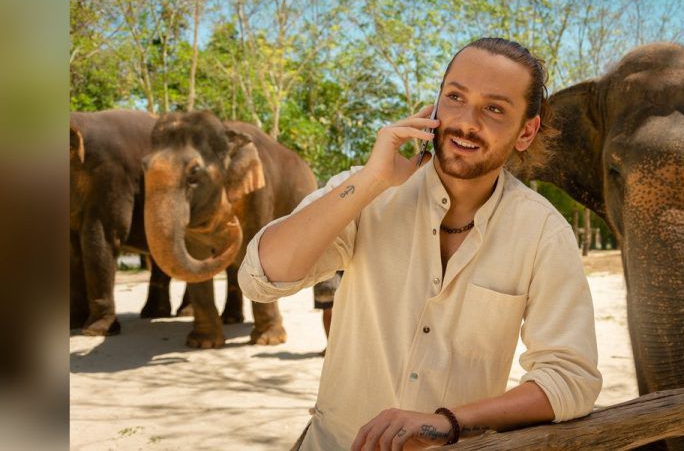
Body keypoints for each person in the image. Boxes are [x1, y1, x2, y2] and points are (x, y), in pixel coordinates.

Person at [239, 37, 602, 450]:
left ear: (526, 131)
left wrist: (448, 422)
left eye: (494, 109)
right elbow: (261, 277)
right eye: (455, 97)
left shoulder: (543, 232)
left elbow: (569, 379)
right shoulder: (367, 190)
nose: (466, 121)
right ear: (435, 105)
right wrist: (373, 180)